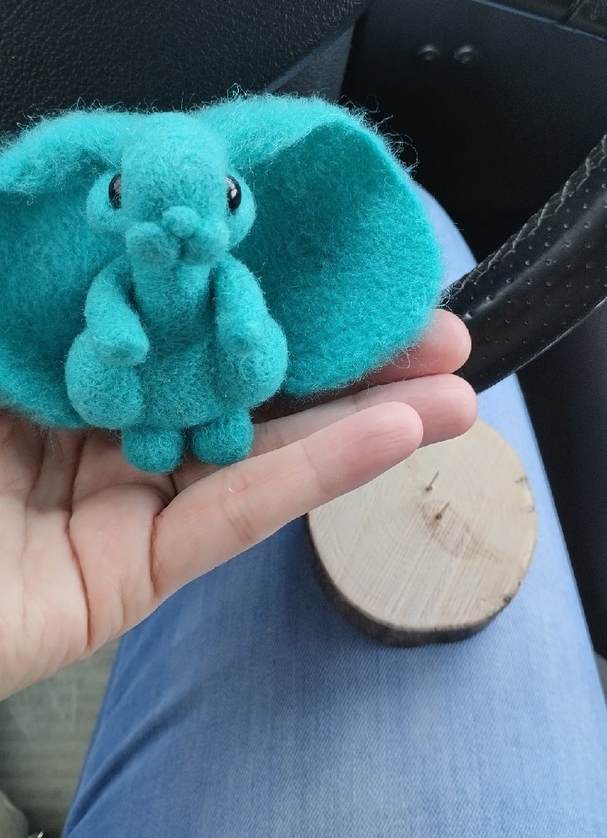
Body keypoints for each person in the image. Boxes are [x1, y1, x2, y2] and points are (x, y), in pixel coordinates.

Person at [2, 191, 607, 836]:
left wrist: (243, 337)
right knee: (414, 223)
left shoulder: (216, 276)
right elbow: (113, 314)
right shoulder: (121, 282)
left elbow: (244, 320)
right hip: (144, 424)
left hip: (203, 416)